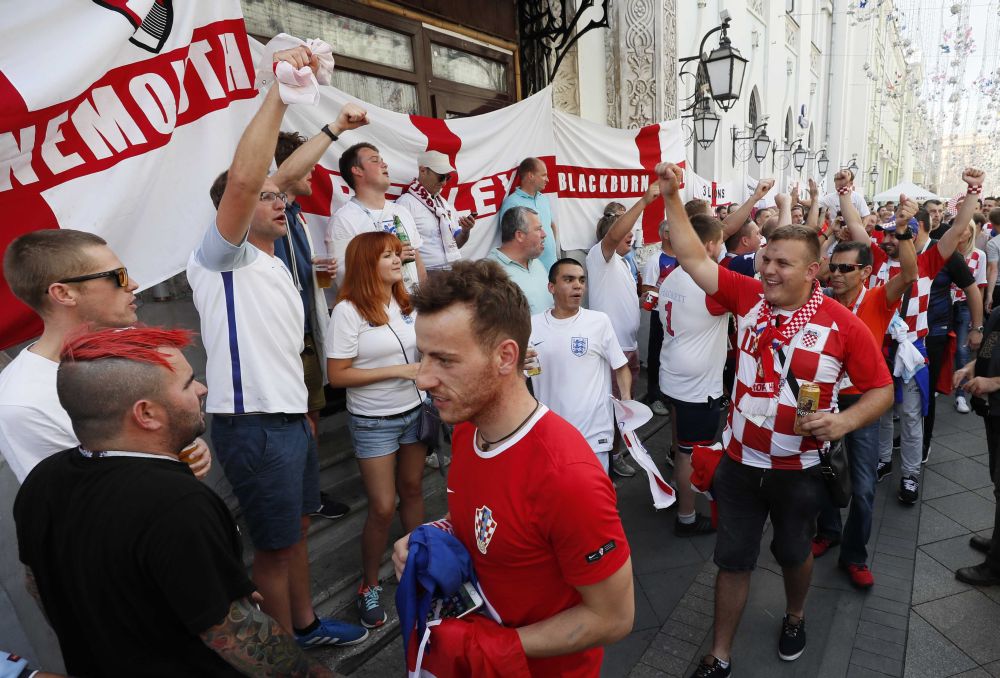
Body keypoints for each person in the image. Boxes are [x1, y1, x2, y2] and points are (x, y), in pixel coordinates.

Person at [656, 162, 893, 678]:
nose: (767, 270)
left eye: (782, 263)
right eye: (765, 259)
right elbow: (693, 255)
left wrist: (844, 424)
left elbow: (881, 390)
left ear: (813, 272)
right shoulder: (748, 299)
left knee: (792, 553)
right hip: (740, 464)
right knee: (731, 560)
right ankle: (718, 655)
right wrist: (672, 196)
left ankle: (795, 614)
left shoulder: (843, 325)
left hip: (799, 469)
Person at [13, 326, 335, 677]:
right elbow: (239, 635)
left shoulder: (40, 482)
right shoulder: (178, 504)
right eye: (187, 383)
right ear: (146, 414)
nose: (202, 389)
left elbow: (38, 587)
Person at [187, 46, 366, 648]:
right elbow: (249, 178)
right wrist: (279, 92)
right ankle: (286, 656)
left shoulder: (272, 258)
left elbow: (279, 179)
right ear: (230, 212)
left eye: (281, 197)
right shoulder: (220, 257)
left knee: (298, 528)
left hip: (289, 419)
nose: (283, 199)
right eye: (269, 198)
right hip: (253, 422)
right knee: (274, 544)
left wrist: (333, 127)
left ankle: (306, 626)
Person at [393, 259, 634, 675]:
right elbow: (493, 516)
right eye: (422, 356)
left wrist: (492, 644)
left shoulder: (567, 477)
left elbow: (613, 618)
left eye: (445, 360)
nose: (423, 379)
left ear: (506, 357)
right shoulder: (470, 429)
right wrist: (435, 532)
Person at [0, 229, 212, 482]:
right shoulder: (23, 403)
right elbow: (74, 502)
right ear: (64, 294)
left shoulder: (128, 337)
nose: (133, 284)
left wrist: (185, 441)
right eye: (118, 276)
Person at [810, 193, 919, 589]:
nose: (835, 274)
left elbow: (909, 276)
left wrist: (904, 232)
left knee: (865, 486)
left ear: (865, 272)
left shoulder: (876, 300)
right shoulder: (818, 301)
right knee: (823, 474)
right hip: (824, 400)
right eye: (832, 267)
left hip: (863, 404)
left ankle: (854, 555)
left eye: (844, 268)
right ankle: (828, 531)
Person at [326, 232, 426, 629]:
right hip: (374, 422)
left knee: (415, 491)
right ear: (368, 262)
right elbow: (337, 376)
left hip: (416, 412)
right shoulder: (348, 310)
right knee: (383, 506)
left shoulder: (406, 302)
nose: (396, 259)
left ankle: (423, 567)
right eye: (387, 255)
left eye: (397, 253)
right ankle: (368, 585)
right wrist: (399, 371)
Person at [271, 117, 369, 521]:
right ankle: (302, 498)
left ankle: (308, 495)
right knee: (297, 421)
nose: (314, 173)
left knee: (310, 416)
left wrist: (312, 270)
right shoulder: (268, 214)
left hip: (306, 333)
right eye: (307, 165)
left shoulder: (294, 217)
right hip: (286, 341)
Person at [867, 170, 983, 501]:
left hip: (914, 350)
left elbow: (959, 228)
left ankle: (911, 474)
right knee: (883, 411)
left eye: (900, 233)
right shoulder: (877, 259)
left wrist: (973, 190)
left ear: (917, 233)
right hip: (879, 350)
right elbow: (860, 229)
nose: (890, 239)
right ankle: (884, 460)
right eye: (889, 233)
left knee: (912, 415)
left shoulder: (930, 260)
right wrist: (844, 192)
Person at [658, 214, 728, 537]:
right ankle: (687, 516)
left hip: (671, 372)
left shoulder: (672, 275)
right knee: (691, 452)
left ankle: (676, 489)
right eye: (721, 241)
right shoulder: (711, 283)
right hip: (696, 385)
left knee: (679, 439)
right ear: (711, 245)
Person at [586, 181, 661, 478]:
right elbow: (616, 232)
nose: (631, 234)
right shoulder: (598, 256)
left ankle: (616, 452)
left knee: (624, 407)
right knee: (615, 407)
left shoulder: (622, 262)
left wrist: (642, 298)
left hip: (628, 347)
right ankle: (609, 459)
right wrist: (643, 201)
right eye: (624, 231)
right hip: (612, 350)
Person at [530, 258, 631, 472]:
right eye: (569, 279)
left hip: (595, 435)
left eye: (582, 280)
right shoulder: (532, 326)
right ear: (551, 287)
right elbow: (524, 376)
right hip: (551, 435)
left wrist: (627, 406)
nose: (578, 285)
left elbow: (621, 367)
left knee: (593, 500)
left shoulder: (599, 321)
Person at [327, 143, 427, 289]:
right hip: (374, 309)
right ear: (357, 170)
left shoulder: (402, 211)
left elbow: (418, 263)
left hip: (412, 308)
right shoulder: (342, 220)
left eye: (382, 160)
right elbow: (344, 279)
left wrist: (424, 305)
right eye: (375, 160)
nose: (384, 164)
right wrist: (393, 261)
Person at [952, 313, 1000, 586]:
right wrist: (973, 367)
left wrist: (994, 382)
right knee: (997, 480)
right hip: (993, 409)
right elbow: (991, 347)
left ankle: (996, 566)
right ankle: (998, 544)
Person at [395, 151, 476, 271]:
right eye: (441, 176)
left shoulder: (443, 203)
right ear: (423, 170)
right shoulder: (406, 203)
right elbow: (400, 247)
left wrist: (465, 231)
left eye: (447, 177)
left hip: (451, 270)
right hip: (426, 272)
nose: (444, 183)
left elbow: (456, 245)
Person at [640, 219, 678, 415]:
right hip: (660, 316)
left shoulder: (684, 257)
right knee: (656, 356)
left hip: (681, 316)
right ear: (665, 234)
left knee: (674, 356)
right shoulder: (656, 259)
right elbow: (646, 290)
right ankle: (654, 396)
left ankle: (670, 394)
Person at [485, 206, 552, 314]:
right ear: (519, 235)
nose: (544, 234)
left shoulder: (536, 263)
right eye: (538, 229)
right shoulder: (490, 271)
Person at [952, 218, 988, 414]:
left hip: (965, 306)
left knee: (962, 349)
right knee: (941, 347)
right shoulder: (946, 252)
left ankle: (960, 394)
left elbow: (980, 287)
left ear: (972, 232)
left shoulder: (979, 255)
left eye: (966, 227)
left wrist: (978, 323)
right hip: (945, 306)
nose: (961, 230)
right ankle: (940, 385)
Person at [498, 157, 559, 272]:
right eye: (543, 175)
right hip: (531, 272)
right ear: (531, 176)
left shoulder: (543, 199)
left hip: (552, 268)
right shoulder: (512, 203)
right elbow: (510, 242)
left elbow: (551, 225)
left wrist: (552, 253)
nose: (547, 180)